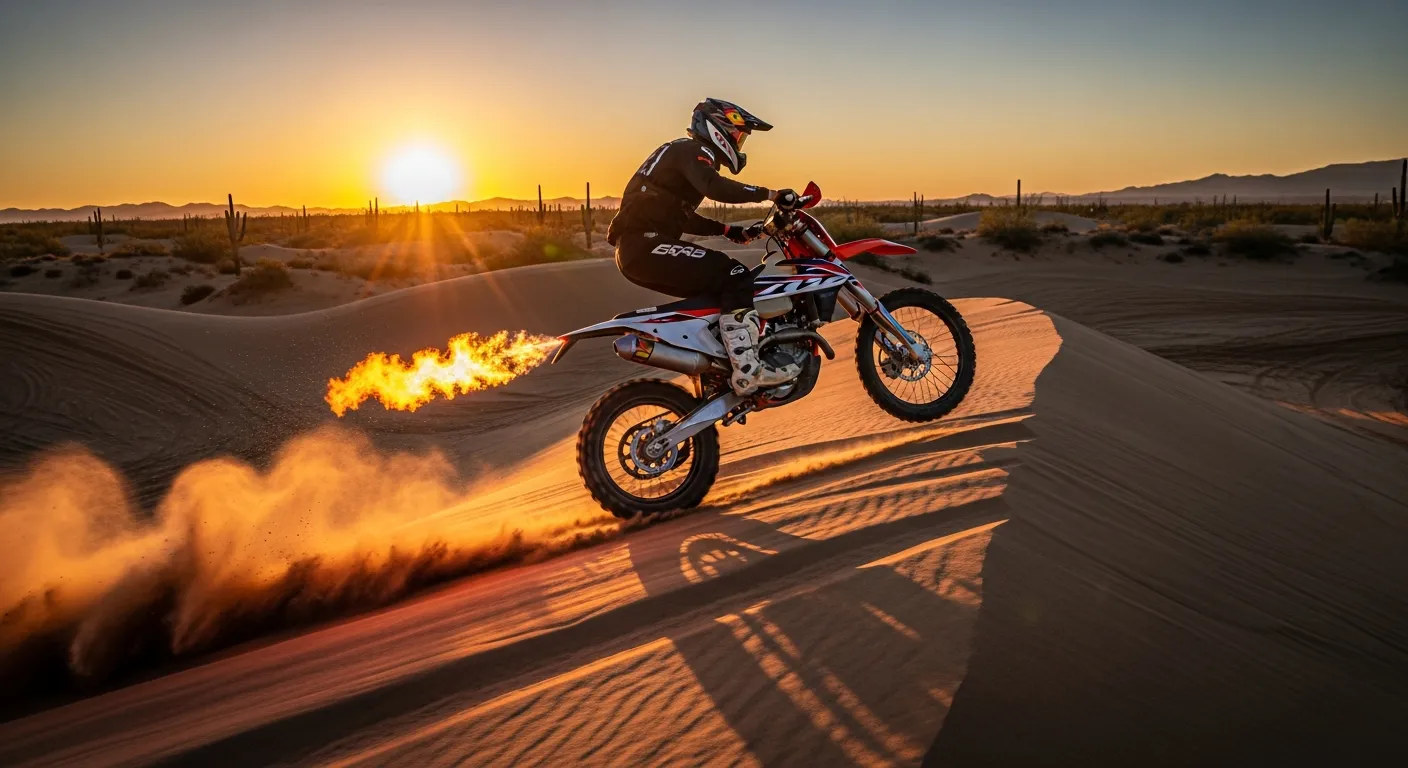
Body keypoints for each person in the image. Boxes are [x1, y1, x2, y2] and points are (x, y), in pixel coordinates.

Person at [607, 98, 805, 396]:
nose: (739, 143)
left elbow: (679, 214)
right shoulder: (695, 150)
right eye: (739, 134)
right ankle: (748, 368)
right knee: (737, 275)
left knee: (719, 292)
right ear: (718, 127)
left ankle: (717, 370)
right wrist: (772, 194)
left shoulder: (679, 154)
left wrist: (728, 230)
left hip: (640, 248)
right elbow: (715, 187)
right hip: (645, 245)